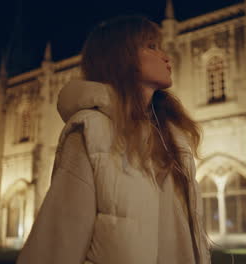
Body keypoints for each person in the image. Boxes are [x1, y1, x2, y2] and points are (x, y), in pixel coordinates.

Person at [16, 15, 211, 264]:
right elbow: (56, 244)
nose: (166, 56)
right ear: (122, 57)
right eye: (152, 46)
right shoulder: (92, 131)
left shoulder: (173, 139)